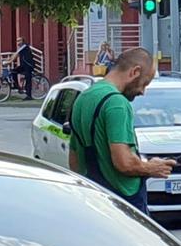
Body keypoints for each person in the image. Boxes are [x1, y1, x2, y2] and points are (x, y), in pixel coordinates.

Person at [67, 48, 173, 215]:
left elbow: (74, 159)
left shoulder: (83, 98)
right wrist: (151, 167)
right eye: (144, 83)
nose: (142, 91)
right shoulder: (117, 103)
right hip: (123, 201)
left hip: (93, 196)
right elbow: (124, 163)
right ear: (135, 72)